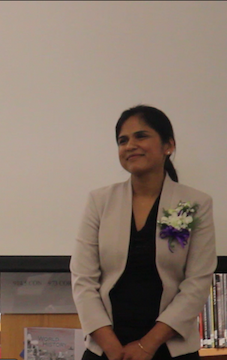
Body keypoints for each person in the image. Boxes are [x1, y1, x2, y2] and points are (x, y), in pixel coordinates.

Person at [70, 105, 216, 360]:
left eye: (141, 136)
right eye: (122, 140)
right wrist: (111, 347)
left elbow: (197, 282)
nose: (130, 145)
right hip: (107, 348)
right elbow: (83, 279)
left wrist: (147, 345)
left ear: (168, 146)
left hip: (170, 347)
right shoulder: (100, 201)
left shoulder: (194, 203)